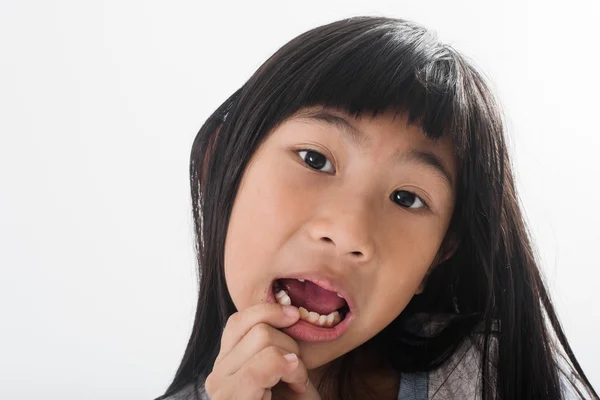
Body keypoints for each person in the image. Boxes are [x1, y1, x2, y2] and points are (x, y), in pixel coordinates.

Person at [155, 16, 598, 400]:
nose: (349, 233)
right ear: (219, 169)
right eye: (315, 159)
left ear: (438, 255)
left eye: (407, 198)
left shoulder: (497, 376)